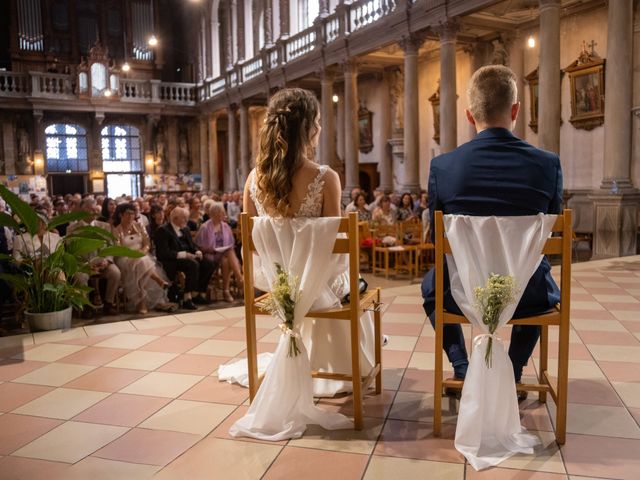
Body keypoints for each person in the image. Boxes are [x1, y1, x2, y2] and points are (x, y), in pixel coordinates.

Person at [421, 65, 563, 397]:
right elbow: (550, 231)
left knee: (432, 288)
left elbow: (436, 238)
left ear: (470, 116)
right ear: (515, 110)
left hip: (463, 292)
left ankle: (462, 366)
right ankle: (512, 372)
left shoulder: (443, 167)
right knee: (543, 282)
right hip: (526, 294)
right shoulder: (547, 164)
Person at [243, 87, 374, 397]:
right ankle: (346, 364)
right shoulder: (325, 177)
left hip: (279, 286)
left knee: (329, 280)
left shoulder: (253, 179)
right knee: (354, 282)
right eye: (317, 121)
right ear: (309, 127)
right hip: (320, 286)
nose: (319, 128)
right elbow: (337, 247)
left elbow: (252, 242)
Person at [112, 203, 172, 314]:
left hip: (141, 255)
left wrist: (143, 251)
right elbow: (118, 249)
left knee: (141, 263)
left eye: (132, 214)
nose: (131, 217)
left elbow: (147, 243)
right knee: (140, 262)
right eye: (127, 214)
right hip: (124, 257)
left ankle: (142, 303)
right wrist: (133, 254)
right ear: (121, 215)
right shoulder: (116, 230)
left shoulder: (139, 226)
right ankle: (158, 280)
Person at [153, 206, 216, 310]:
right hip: (172, 260)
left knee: (209, 264)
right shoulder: (163, 230)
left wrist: (197, 251)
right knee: (193, 264)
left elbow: (192, 246)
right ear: (175, 218)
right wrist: (183, 255)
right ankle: (187, 297)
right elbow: (163, 253)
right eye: (184, 218)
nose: (186, 220)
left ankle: (199, 293)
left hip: (188, 257)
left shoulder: (185, 229)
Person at [69, 198, 122, 316]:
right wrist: (87, 265)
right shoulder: (73, 229)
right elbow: (72, 252)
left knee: (115, 272)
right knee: (81, 277)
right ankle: (86, 306)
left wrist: (107, 260)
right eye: (90, 209)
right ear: (82, 210)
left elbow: (110, 247)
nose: (94, 212)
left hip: (102, 262)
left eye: (95, 209)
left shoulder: (104, 227)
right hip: (83, 265)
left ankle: (109, 303)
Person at [195, 201, 243, 302]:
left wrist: (223, 248)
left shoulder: (225, 226)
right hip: (210, 255)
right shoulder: (205, 227)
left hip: (223, 255)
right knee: (228, 254)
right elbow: (199, 247)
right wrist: (211, 249)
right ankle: (239, 279)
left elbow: (231, 243)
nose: (224, 215)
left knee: (226, 259)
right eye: (222, 212)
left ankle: (226, 291)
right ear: (216, 214)